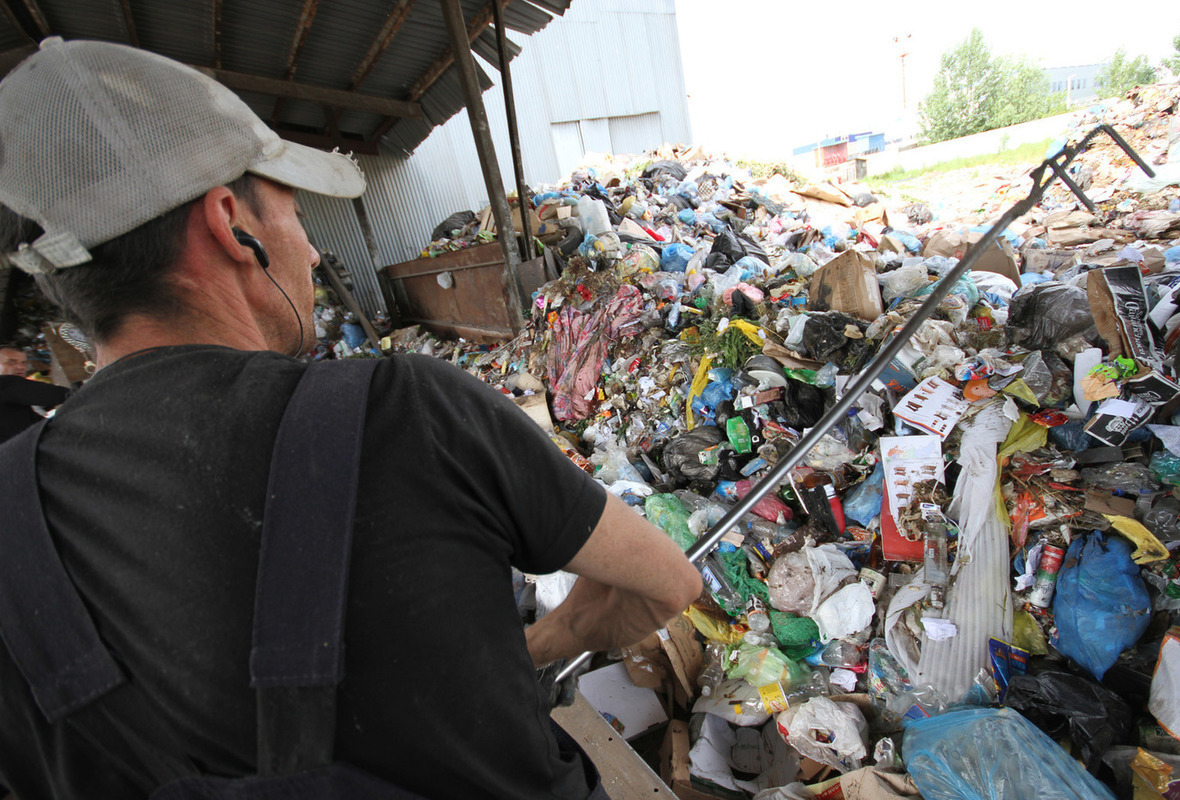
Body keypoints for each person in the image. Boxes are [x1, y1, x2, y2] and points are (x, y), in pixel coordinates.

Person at [0, 37, 701, 799]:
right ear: (230, 223)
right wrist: (539, 644)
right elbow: (666, 583)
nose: (306, 249)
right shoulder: (407, 411)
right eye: (298, 213)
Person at [0, 345, 69, 442]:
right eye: (11, 362)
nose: (20, 367)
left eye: (24, 363)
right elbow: (61, 395)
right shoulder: (4, 383)